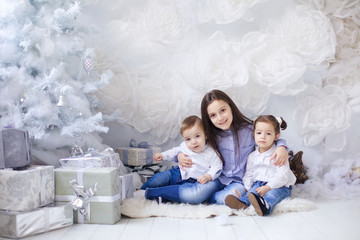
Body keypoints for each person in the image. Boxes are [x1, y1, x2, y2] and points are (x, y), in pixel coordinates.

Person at [177, 89, 289, 204]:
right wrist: (180, 155)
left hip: (239, 182)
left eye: (223, 110)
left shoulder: (249, 130)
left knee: (224, 200)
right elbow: (190, 144)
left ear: (231, 107)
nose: (220, 118)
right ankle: (161, 193)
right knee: (193, 195)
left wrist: (282, 146)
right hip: (216, 178)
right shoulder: (209, 134)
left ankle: (209, 199)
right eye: (213, 115)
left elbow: (268, 139)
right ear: (208, 118)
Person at [137, 115, 223, 203]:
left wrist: (207, 176)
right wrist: (162, 155)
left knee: (188, 192)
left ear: (205, 135)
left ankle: (155, 193)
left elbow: (217, 166)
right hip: (177, 173)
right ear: (184, 140)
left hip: (195, 181)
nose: (193, 142)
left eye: (197, 136)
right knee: (158, 179)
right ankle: (141, 190)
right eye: (188, 139)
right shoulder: (185, 146)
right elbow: (174, 151)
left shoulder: (211, 152)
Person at [224, 115, 296, 216]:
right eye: (259, 133)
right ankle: (242, 203)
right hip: (259, 184)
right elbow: (249, 174)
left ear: (276, 136)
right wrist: (248, 187)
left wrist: (268, 187)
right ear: (254, 135)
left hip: (279, 186)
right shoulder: (252, 156)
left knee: (272, 195)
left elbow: (283, 176)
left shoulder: (279, 154)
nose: (262, 137)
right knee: (251, 193)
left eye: (268, 133)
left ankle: (266, 206)